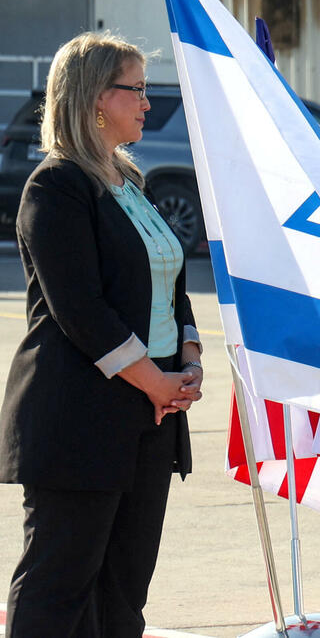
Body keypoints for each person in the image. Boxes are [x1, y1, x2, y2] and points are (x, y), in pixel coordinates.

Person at [0, 32, 204, 637]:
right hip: (80, 420)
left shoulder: (132, 183)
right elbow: (80, 309)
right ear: (92, 99)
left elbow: (168, 284)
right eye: (135, 89)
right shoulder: (57, 186)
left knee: (123, 593)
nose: (148, 103)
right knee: (58, 588)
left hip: (149, 416)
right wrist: (156, 382)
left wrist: (188, 357)